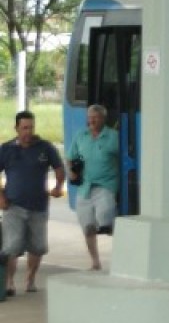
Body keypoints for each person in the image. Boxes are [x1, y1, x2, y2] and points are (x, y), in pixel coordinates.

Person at [0, 110, 65, 296]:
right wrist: (1, 196)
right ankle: (9, 282)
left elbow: (59, 168)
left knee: (37, 247)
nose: (28, 131)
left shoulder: (45, 147)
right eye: (24, 128)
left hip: (39, 206)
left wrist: (59, 186)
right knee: (11, 246)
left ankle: (30, 279)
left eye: (31, 127)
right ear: (17, 128)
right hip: (13, 206)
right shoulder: (6, 149)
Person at [66, 104, 119, 270]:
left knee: (106, 219)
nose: (91, 120)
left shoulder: (113, 136)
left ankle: (120, 255)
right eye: (89, 117)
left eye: (95, 117)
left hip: (105, 185)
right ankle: (95, 262)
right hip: (84, 187)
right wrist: (71, 173)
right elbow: (69, 158)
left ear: (103, 118)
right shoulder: (81, 136)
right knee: (87, 227)